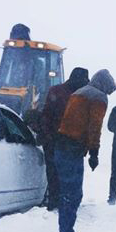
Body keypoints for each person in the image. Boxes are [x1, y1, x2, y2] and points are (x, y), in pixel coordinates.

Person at [54, 69, 116, 232]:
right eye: (109, 90)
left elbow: (69, 120)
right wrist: (94, 152)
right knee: (73, 194)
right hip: (72, 149)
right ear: (104, 84)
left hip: (61, 145)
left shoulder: (78, 93)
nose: (108, 94)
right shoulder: (98, 97)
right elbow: (94, 127)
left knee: (66, 192)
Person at [39, 67, 90, 211]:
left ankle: (58, 202)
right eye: (85, 80)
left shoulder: (57, 91)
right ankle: (61, 202)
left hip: (62, 140)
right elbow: (47, 115)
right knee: (63, 174)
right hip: (63, 141)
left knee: (56, 173)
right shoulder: (77, 95)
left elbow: (46, 115)